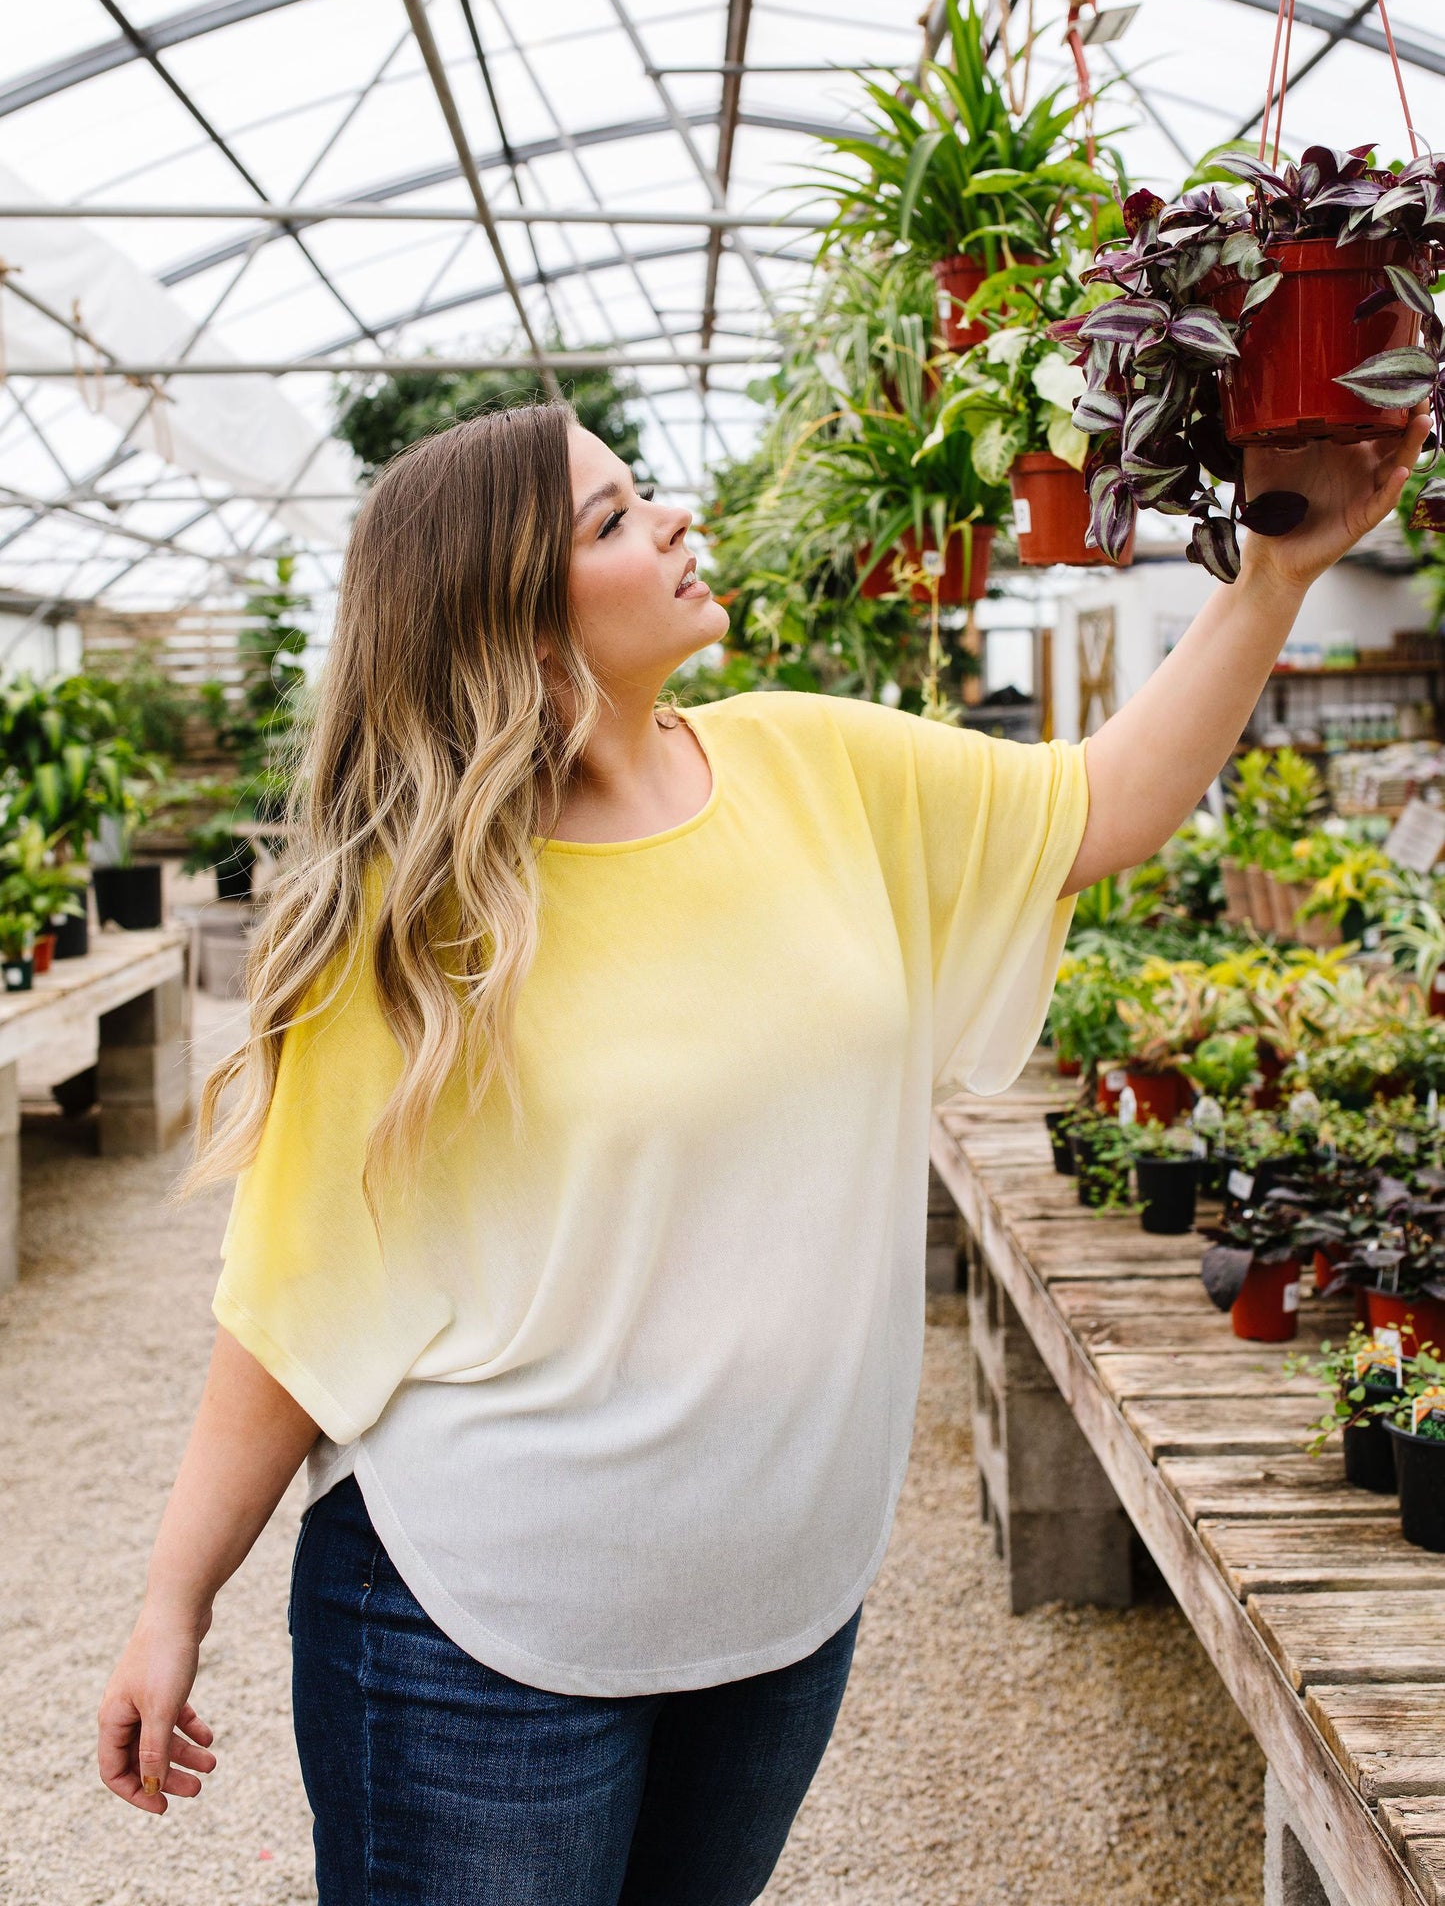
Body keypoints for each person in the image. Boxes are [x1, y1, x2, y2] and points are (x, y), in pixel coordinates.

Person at [95, 399, 1429, 1904]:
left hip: (777, 1604)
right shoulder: (421, 919)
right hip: (478, 1628)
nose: (666, 516)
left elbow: (1099, 808)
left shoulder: (811, 764)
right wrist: (170, 1598)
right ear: (517, 628)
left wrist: (1272, 578)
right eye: (607, 520)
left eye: (636, 491)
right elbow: (290, 1298)